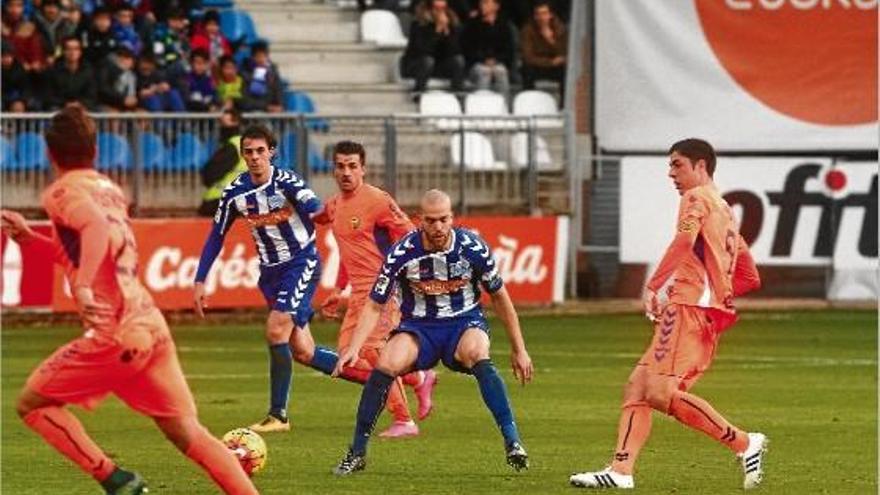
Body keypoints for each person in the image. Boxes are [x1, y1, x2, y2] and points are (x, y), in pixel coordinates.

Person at [0, 105, 258, 495]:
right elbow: (91, 245)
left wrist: (83, 287)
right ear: (96, 150)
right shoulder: (110, 189)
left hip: (116, 332)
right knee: (190, 433)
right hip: (149, 323)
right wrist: (29, 239)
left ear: (50, 154)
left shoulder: (62, 191)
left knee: (33, 404)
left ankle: (115, 479)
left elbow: (95, 228)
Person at [569, 139, 767, 490]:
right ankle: (620, 471)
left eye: (678, 165)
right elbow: (750, 276)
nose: (670, 173)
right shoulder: (725, 210)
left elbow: (683, 242)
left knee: (660, 392)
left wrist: (654, 286)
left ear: (700, 166)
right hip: (701, 311)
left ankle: (743, 442)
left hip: (688, 308)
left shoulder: (695, 199)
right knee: (638, 387)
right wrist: (719, 293)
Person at [332, 188, 534, 475]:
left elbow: (500, 297)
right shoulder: (402, 252)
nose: (437, 227)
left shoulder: (472, 248)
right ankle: (357, 452)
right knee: (386, 363)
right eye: (430, 221)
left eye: (443, 219)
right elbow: (375, 305)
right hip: (419, 328)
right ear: (419, 220)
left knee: (477, 352)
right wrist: (353, 347)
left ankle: (513, 442)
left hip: (463, 324)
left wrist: (519, 349)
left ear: (452, 218)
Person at [193, 124, 344, 433]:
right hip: (270, 274)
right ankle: (378, 377)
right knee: (303, 351)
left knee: (276, 329)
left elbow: (313, 207)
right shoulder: (235, 192)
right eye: (248, 152)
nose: (254, 157)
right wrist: (199, 279)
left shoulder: (287, 181)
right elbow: (216, 235)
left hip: (301, 263)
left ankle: (278, 415)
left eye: (260, 151)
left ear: (271, 152)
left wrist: (324, 212)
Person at [315, 141, 438, 438]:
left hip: (382, 290)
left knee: (371, 350)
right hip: (357, 292)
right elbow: (349, 250)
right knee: (348, 361)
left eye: (352, 166)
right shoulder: (335, 205)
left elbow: (410, 235)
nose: (346, 172)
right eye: (341, 166)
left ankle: (404, 420)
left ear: (363, 169)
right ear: (333, 170)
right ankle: (418, 377)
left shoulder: (378, 201)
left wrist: (408, 277)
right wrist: (339, 289)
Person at [400, 0, 465, 99]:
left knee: (458, 60)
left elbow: (455, 50)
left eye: (443, 9)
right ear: (429, 9)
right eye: (437, 9)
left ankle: (458, 95)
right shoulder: (419, 24)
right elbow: (422, 50)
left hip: (439, 64)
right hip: (417, 64)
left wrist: (447, 32)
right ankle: (418, 94)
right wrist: (437, 31)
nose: (440, 13)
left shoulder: (452, 23)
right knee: (428, 60)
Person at [197, 107, 247, 216]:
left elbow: (210, 174)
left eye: (223, 122)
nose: (221, 127)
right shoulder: (247, 144)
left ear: (236, 122)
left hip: (220, 201)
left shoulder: (232, 146)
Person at [462, 0, 515, 99]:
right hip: (476, 64)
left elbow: (509, 50)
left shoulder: (504, 25)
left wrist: (495, 60)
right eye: (481, 3)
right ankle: (482, 108)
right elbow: (468, 49)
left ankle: (504, 107)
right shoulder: (473, 24)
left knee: (501, 71)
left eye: (486, 3)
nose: (482, 5)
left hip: (498, 62)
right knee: (484, 71)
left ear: (496, 6)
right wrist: (484, 60)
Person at [520, 0, 566, 101]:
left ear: (550, 15)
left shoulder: (560, 29)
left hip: (555, 67)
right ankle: (529, 102)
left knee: (566, 70)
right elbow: (528, 57)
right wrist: (550, 62)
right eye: (538, 14)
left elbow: (564, 54)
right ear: (535, 16)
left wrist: (551, 40)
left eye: (544, 13)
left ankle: (563, 104)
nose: (541, 18)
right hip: (538, 66)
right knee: (526, 69)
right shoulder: (528, 30)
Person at [44, 35, 97, 110]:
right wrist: (65, 104)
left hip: (82, 108)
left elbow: (92, 95)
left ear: (80, 52)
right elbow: (49, 96)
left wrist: (79, 104)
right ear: (63, 51)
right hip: (59, 108)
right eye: (69, 49)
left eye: (76, 49)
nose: (72, 52)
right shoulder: (53, 71)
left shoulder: (88, 71)